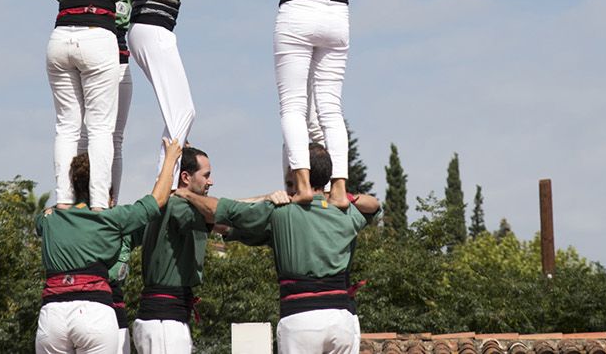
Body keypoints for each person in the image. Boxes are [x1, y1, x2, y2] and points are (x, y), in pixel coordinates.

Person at [195, 0, 371, 201]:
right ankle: (339, 189)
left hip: (298, 10)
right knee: (330, 108)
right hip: (337, 12)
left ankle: (302, 186)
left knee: (292, 107)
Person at [41, 0, 189, 209]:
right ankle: (99, 203)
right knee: (101, 130)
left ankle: (65, 200)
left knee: (67, 127)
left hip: (60, 35)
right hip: (98, 36)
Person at [176, 143, 380, 354]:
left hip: (301, 319)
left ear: (300, 173)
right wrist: (343, 198)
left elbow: (218, 211)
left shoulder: (280, 212)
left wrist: (186, 195)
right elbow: (374, 206)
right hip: (342, 320)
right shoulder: (345, 213)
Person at [123, 0, 241, 176]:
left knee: (177, 112)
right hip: (153, 26)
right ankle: (169, 184)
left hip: (147, 27)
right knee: (183, 111)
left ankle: (169, 178)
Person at [36, 140, 184, 354]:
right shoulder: (111, 219)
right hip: (93, 311)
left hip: (52, 314)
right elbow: (158, 199)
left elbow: (41, 221)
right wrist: (171, 159)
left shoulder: (49, 218)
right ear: (103, 186)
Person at [129, 145, 217, 354]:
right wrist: (266, 200)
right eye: (206, 175)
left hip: (163, 320)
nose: (210, 181)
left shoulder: (170, 205)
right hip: (164, 323)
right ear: (185, 177)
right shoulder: (177, 205)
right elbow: (220, 213)